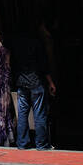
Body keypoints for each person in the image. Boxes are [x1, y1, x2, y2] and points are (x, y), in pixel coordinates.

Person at [9, 22, 56, 150]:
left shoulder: (16, 43)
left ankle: (22, 143)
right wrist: (51, 82)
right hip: (36, 81)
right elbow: (43, 65)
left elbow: (12, 63)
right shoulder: (37, 43)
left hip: (21, 82)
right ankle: (41, 144)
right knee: (39, 113)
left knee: (22, 114)